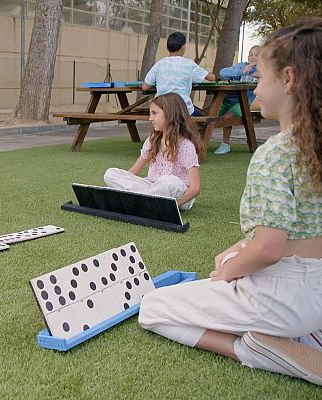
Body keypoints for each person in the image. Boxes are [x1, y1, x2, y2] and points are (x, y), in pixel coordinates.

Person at [138, 18, 322, 385]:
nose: (255, 88)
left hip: (281, 299)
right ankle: (306, 334)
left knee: (153, 307)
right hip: (315, 293)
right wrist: (242, 246)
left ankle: (252, 348)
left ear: (287, 79)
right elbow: (296, 239)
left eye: (261, 77)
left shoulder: (277, 154)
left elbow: (269, 250)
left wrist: (230, 272)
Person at [103, 93, 202, 210]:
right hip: (152, 187)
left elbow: (195, 188)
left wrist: (174, 206)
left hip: (179, 196)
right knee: (111, 174)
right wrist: (122, 182)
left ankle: (140, 199)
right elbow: (132, 172)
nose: (150, 118)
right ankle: (145, 199)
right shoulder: (152, 140)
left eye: (154, 113)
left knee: (168, 181)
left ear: (169, 114)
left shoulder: (186, 146)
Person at [142, 32, 216, 116]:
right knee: (205, 121)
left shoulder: (159, 64)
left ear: (167, 48)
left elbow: (145, 87)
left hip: (162, 108)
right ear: (183, 47)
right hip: (183, 109)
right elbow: (211, 77)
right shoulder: (189, 64)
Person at [214, 45, 261, 155]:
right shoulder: (241, 66)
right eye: (250, 54)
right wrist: (242, 71)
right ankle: (200, 142)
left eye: (256, 55)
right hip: (227, 100)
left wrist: (258, 70)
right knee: (210, 114)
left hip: (242, 103)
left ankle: (225, 144)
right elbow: (222, 73)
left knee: (227, 117)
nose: (252, 57)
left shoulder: (263, 69)